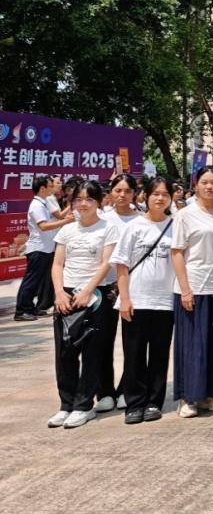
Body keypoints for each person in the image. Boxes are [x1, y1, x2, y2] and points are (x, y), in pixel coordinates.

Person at [48, 180, 119, 429]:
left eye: (89, 199)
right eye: (78, 199)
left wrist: (88, 290)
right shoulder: (67, 230)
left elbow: (106, 263)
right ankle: (66, 404)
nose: (83, 204)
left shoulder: (108, 228)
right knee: (65, 351)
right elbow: (58, 264)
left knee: (92, 351)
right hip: (67, 294)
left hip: (96, 294)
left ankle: (84, 406)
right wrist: (59, 292)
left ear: (98, 201)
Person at [169, 166, 213, 418]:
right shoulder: (185, 215)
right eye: (204, 182)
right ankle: (188, 397)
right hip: (193, 287)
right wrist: (186, 290)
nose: (209, 187)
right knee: (192, 345)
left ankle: (210, 393)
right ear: (195, 185)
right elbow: (177, 252)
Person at [110, 177, 175, 424]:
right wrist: (125, 299)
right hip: (136, 300)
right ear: (145, 196)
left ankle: (154, 402)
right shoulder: (134, 226)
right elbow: (121, 265)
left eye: (165, 194)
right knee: (134, 354)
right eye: (155, 194)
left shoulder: (175, 226)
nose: (160, 198)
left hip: (165, 302)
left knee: (160, 354)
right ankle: (135, 403)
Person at [98, 172, 140, 410]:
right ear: (111, 192)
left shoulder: (142, 220)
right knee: (102, 341)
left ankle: (127, 388)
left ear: (135, 193)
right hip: (106, 287)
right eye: (118, 190)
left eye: (127, 191)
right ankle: (104, 391)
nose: (122, 195)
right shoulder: (102, 219)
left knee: (132, 342)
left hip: (134, 288)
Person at [16, 175, 73, 321]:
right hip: (38, 249)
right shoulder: (37, 205)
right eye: (50, 186)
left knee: (37, 282)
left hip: (45, 248)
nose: (53, 188)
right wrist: (65, 222)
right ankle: (21, 311)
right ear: (42, 188)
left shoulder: (44, 203)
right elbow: (43, 226)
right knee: (31, 281)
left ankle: (31, 308)